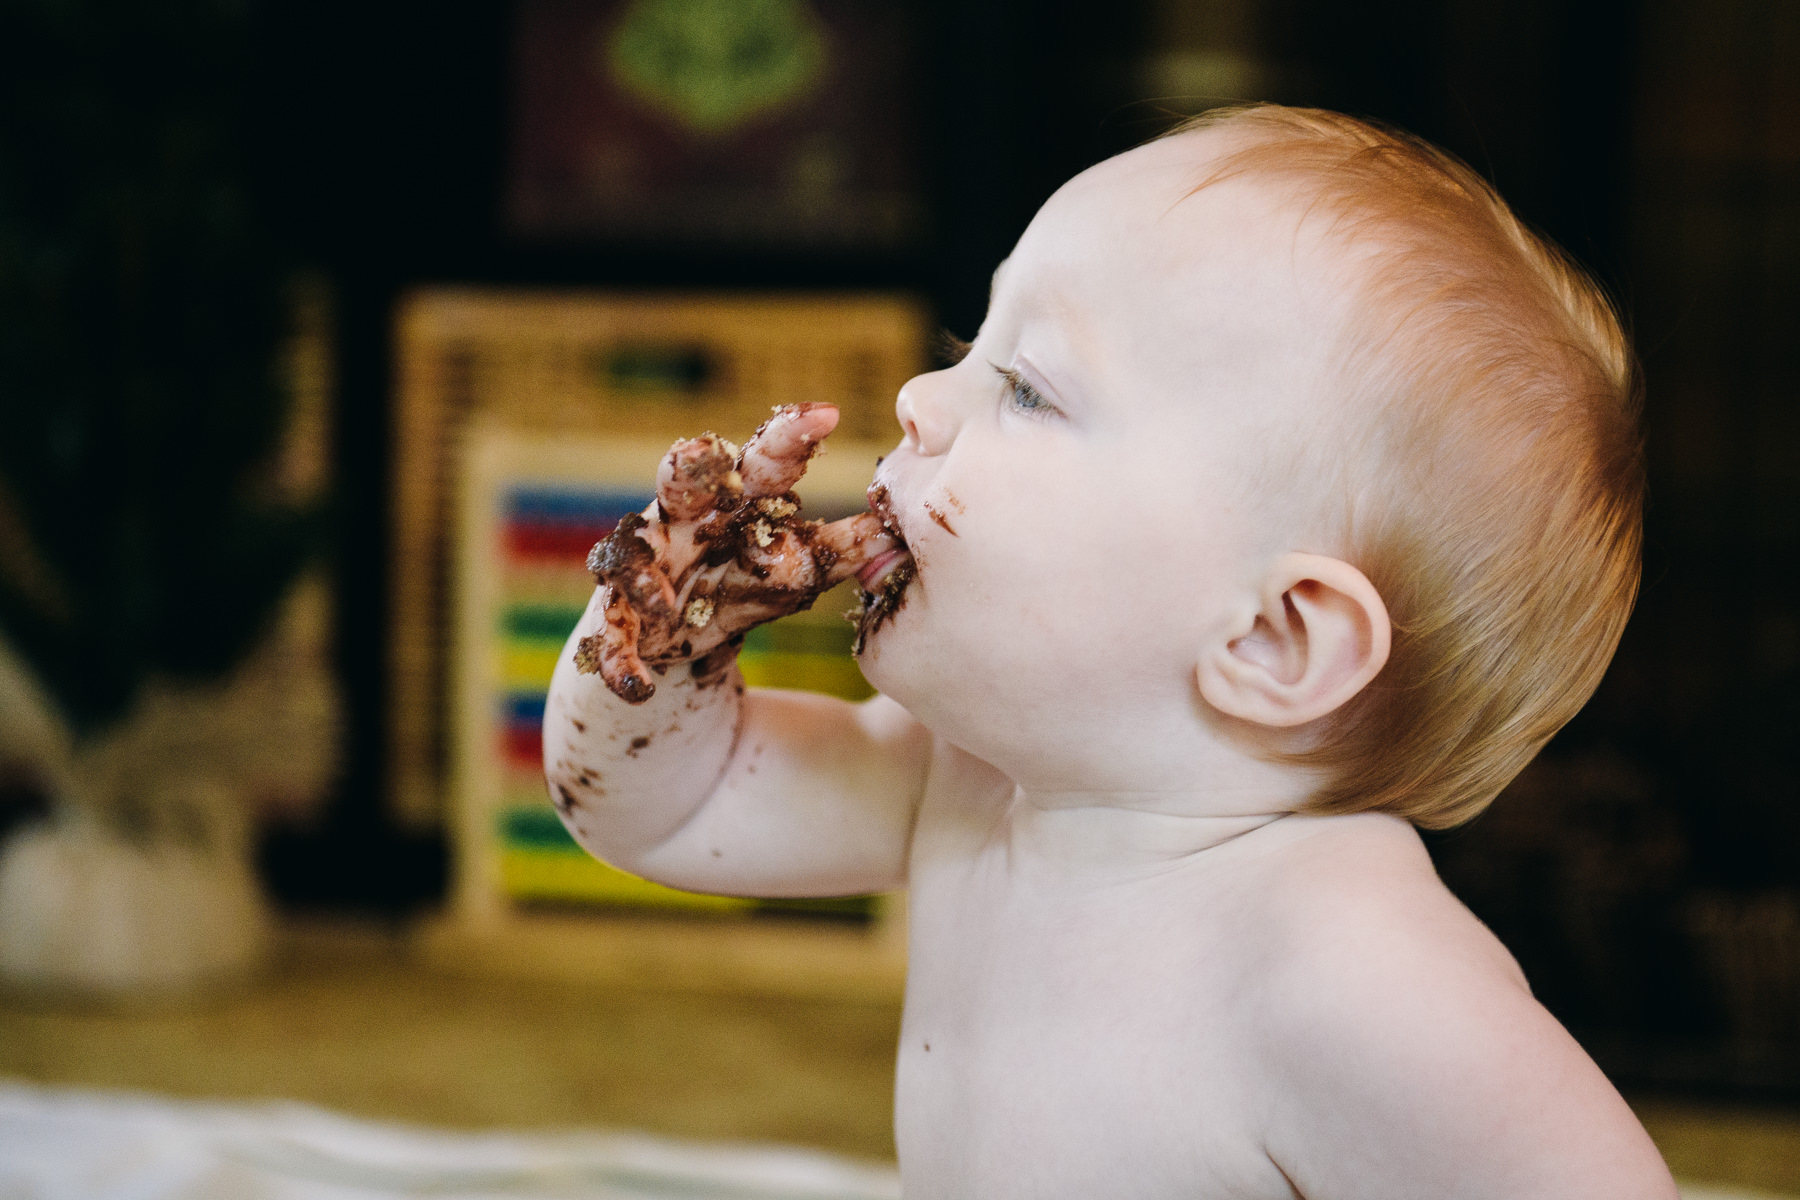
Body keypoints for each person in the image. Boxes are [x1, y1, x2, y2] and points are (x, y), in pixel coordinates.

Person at [543, 104, 1677, 1198]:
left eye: (1028, 388)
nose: (920, 398)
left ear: (1273, 639)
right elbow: (667, 812)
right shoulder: (974, 781)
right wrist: (655, 625)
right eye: (966, 347)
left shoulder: (1355, 985)